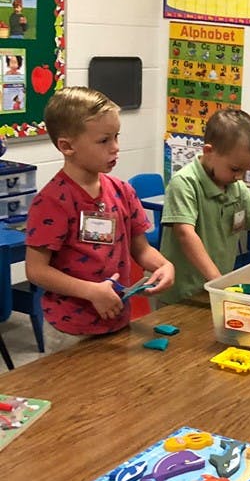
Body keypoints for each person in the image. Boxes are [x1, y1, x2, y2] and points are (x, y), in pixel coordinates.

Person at [25, 87, 175, 335]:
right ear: (67, 146)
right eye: (104, 140)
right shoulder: (52, 201)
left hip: (118, 317)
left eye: (116, 136)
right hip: (70, 326)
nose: (115, 147)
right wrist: (91, 291)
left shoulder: (122, 191)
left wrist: (163, 265)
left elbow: (141, 249)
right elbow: (36, 270)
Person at [159, 109, 250, 304]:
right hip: (182, 296)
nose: (240, 177)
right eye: (235, 169)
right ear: (208, 152)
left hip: (216, 292)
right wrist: (218, 282)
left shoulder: (236, 187)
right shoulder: (184, 183)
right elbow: (185, 234)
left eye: (246, 170)